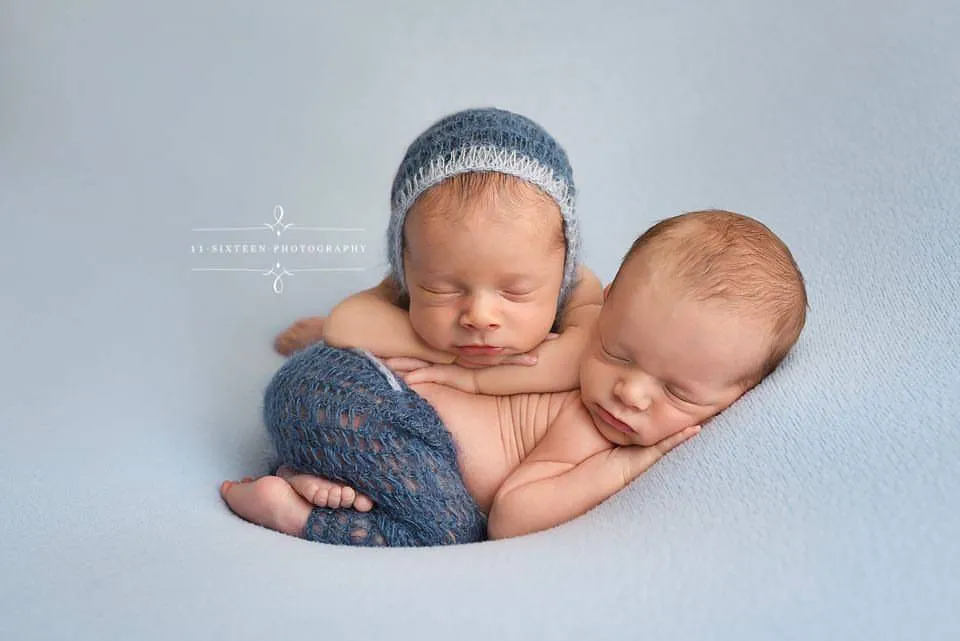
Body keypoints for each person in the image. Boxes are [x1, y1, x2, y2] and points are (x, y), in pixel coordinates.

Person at [221, 210, 807, 544]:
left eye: (677, 392)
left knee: (411, 486)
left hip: (344, 402)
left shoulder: (612, 375)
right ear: (604, 311)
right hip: (374, 408)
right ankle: (293, 512)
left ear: (740, 399)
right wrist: (623, 463)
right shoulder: (590, 425)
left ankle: (310, 471)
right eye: (616, 351)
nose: (630, 392)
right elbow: (512, 516)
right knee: (450, 532)